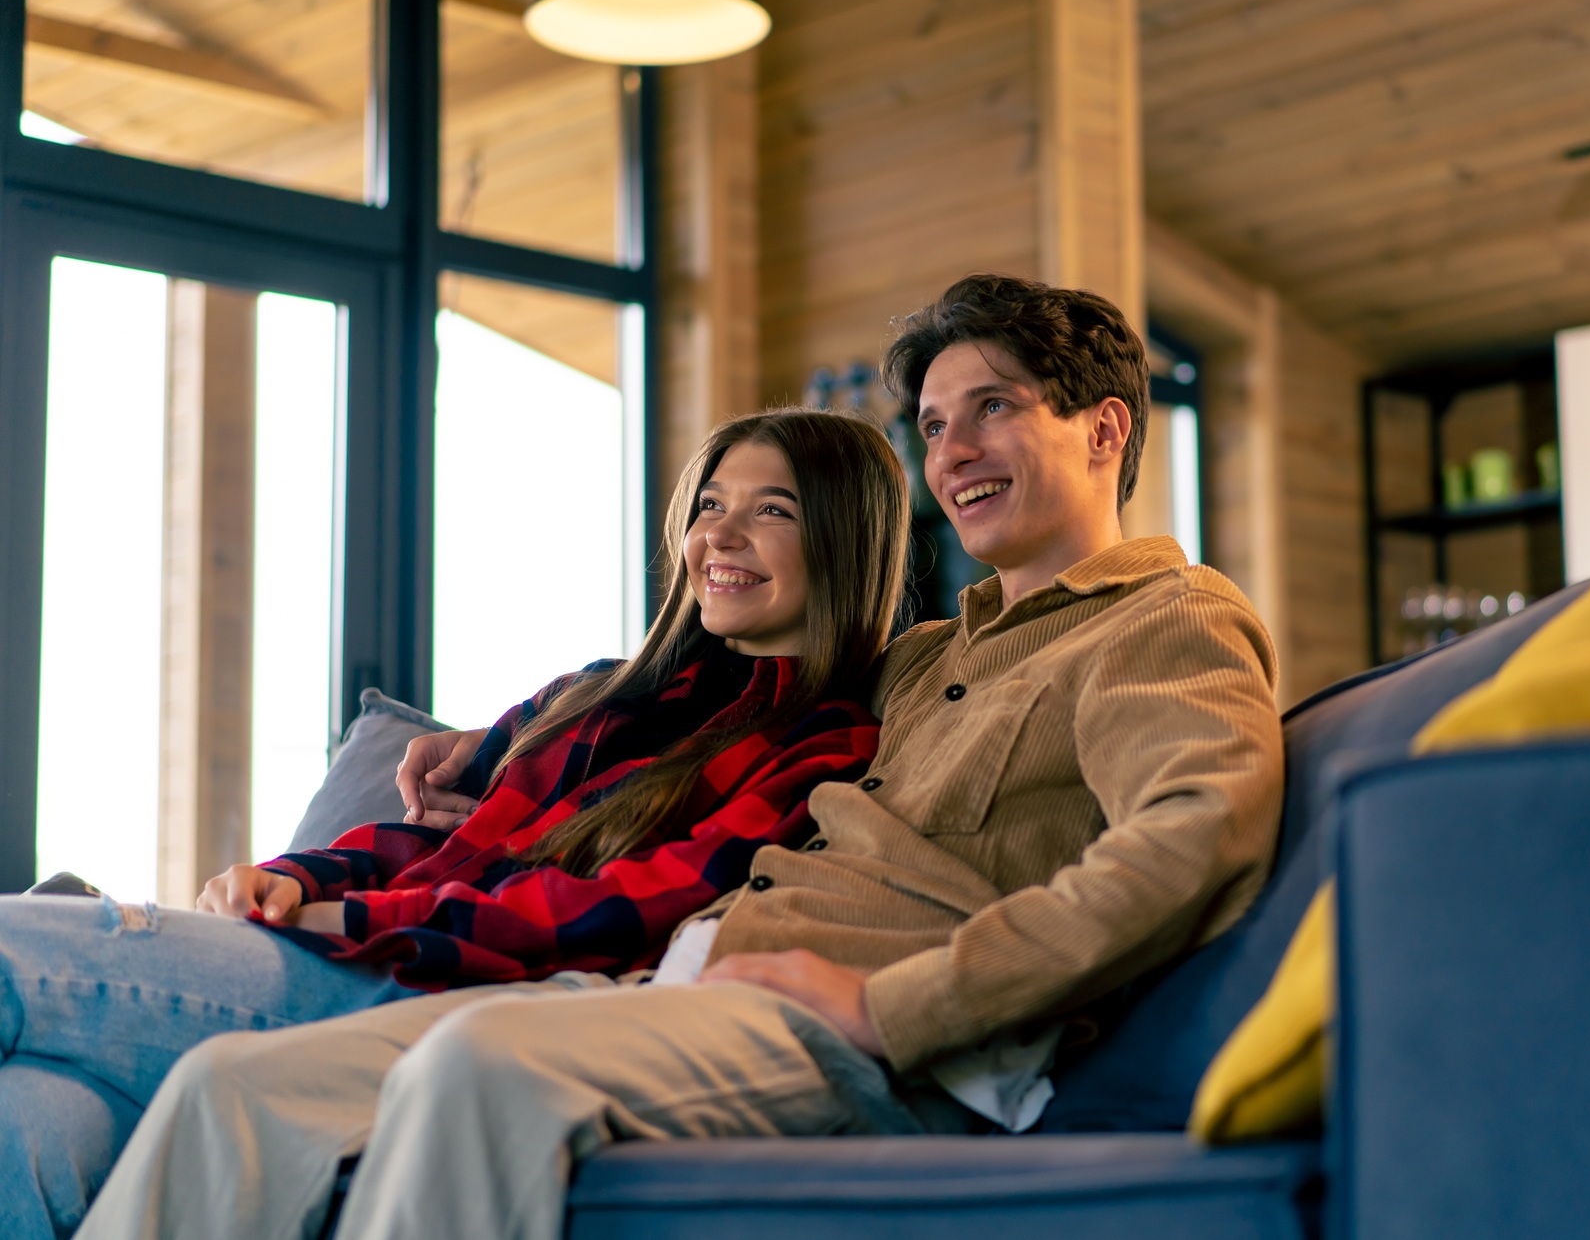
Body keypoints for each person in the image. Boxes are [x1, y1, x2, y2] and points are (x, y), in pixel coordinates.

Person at [79, 274, 1285, 1240]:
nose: (952, 448)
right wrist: (495, 741)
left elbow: (1193, 835)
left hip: (858, 1035)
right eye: (930, 424)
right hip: (675, 987)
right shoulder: (920, 659)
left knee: (480, 1070)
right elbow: (717, 678)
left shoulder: (1165, 622)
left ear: (1105, 428)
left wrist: (891, 1003)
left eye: (994, 408)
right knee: (233, 1086)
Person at [3, 407, 907, 1240]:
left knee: (21, 951)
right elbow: (443, 842)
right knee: (28, 1117)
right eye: (711, 502)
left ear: (840, 538)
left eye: (773, 510)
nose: (722, 533)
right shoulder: (594, 692)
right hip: (368, 945)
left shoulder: (823, 742)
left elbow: (622, 911)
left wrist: (356, 920)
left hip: (447, 982)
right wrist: (305, 875)